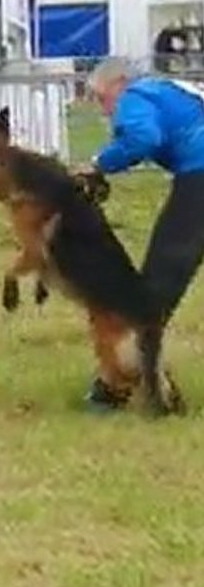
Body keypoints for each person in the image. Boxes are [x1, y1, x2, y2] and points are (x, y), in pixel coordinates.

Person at [80, 57, 204, 409]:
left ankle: (121, 384)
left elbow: (143, 137)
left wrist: (98, 164)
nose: (106, 113)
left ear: (118, 84)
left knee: (153, 290)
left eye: (103, 99)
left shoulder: (135, 94)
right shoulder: (166, 90)